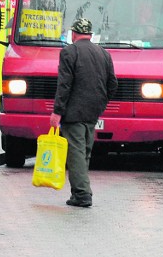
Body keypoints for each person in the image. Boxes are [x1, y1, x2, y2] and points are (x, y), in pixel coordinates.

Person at [49, 18, 117, 208]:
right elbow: (113, 84)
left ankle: (82, 194)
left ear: (73, 34)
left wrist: (57, 112)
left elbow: (64, 85)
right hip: (93, 111)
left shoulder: (69, 52)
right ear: (90, 34)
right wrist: (101, 103)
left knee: (76, 151)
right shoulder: (103, 53)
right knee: (85, 151)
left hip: (73, 111)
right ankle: (78, 191)